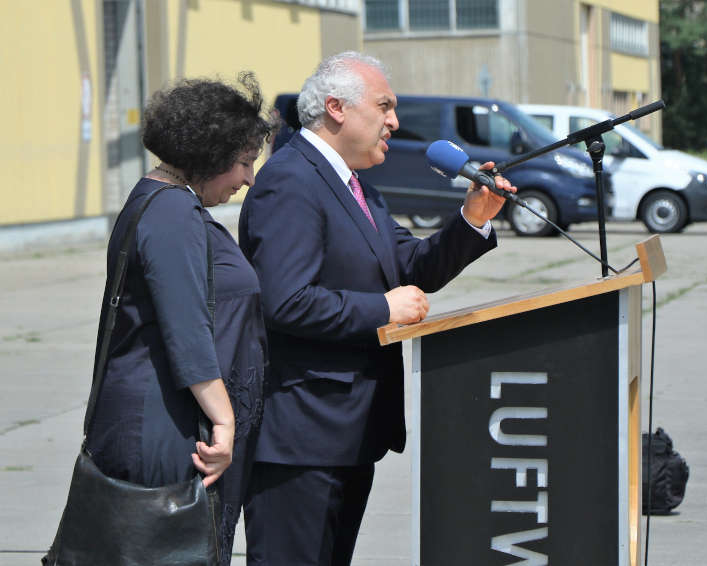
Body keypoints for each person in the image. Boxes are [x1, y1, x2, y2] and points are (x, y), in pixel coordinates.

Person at [239, 52, 516, 565]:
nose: (395, 121)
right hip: (301, 438)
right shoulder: (291, 181)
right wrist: (381, 309)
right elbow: (285, 301)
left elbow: (411, 264)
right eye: (385, 106)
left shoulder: (356, 183)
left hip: (348, 433)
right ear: (338, 108)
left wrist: (472, 218)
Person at [85, 72, 274, 565]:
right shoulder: (171, 213)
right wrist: (225, 422)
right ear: (209, 156)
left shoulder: (160, 200)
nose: (248, 178)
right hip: (162, 429)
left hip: (159, 418)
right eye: (244, 163)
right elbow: (186, 329)